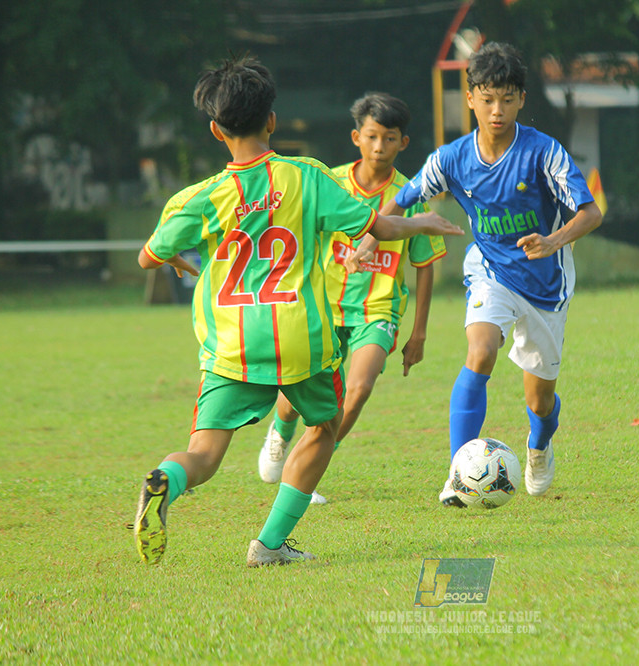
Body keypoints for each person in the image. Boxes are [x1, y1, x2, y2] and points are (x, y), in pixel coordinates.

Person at [133, 55, 462, 566]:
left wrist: (177, 258)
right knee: (325, 428)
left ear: (216, 130)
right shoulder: (307, 177)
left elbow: (148, 255)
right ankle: (268, 546)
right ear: (272, 121)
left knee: (203, 454)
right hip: (300, 337)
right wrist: (423, 223)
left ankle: (165, 480)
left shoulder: (201, 197)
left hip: (232, 344)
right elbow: (378, 226)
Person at [348, 42, 602, 506]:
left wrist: (552, 241)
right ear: (470, 99)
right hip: (490, 272)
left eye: (506, 99)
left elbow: (590, 213)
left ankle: (539, 444)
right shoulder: (452, 158)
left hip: (546, 284)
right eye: (486, 99)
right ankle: (458, 475)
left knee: (540, 400)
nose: (496, 110)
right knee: (481, 352)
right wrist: (370, 239)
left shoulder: (543, 152)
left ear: (522, 99)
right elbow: (402, 198)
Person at [257, 93, 447, 503]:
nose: (380, 147)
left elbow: (425, 264)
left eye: (390, 138)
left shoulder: (411, 196)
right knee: (295, 398)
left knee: (357, 389)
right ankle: (281, 430)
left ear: (403, 143)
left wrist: (419, 334)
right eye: (372, 136)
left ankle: (306, 474)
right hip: (322, 307)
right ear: (356, 137)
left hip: (378, 311)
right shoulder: (329, 183)